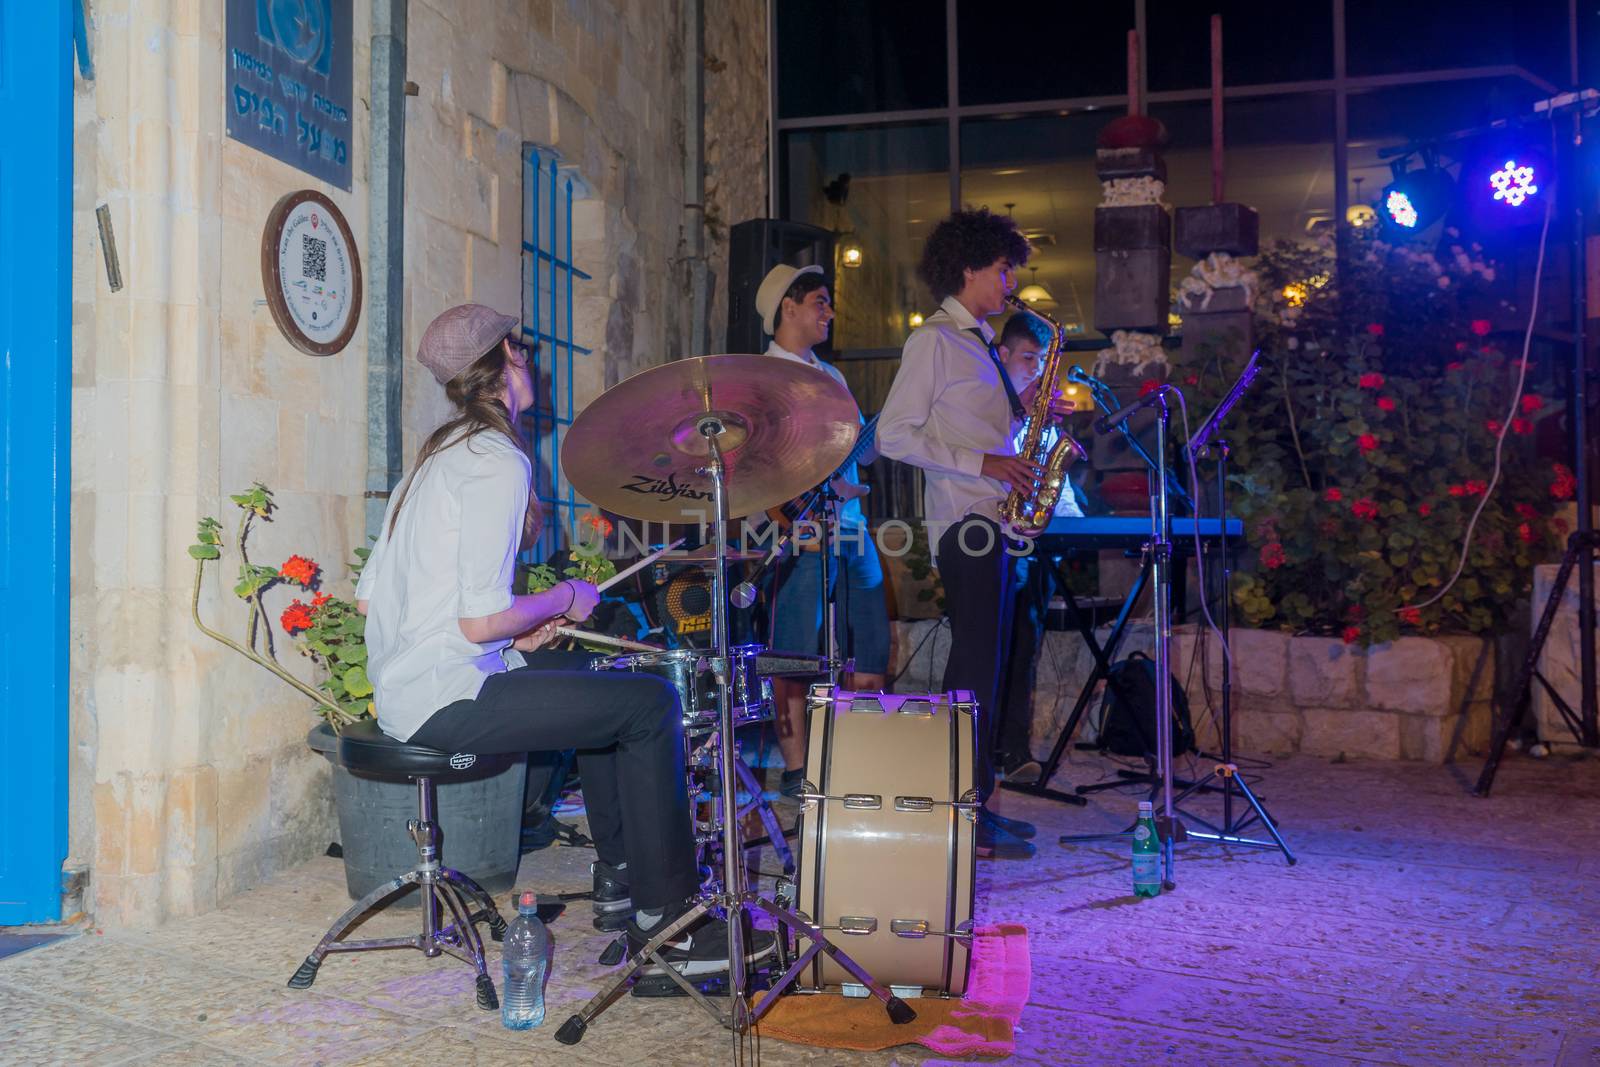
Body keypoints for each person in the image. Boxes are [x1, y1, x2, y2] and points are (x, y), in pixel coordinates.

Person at [356, 303, 772, 976]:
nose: (529, 361)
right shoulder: (495, 460)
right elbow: (475, 620)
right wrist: (564, 597)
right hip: (448, 696)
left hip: (417, 685)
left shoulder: (434, 459)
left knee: (600, 683)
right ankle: (671, 924)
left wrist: (525, 640)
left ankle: (623, 879)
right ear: (505, 364)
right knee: (651, 706)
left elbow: (373, 598)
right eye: (521, 350)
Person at [877, 209, 1074, 860]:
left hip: (997, 522)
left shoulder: (984, 346)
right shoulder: (934, 342)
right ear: (968, 268)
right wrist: (983, 463)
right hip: (964, 526)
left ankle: (980, 804)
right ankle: (960, 813)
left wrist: (1024, 437)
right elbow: (893, 436)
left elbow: (983, 432)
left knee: (990, 669)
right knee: (972, 672)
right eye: (1002, 267)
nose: (1010, 279)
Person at [752, 264, 890, 798]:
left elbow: (860, 451)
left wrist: (883, 429)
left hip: (849, 525)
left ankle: (854, 754)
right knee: (794, 647)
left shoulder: (832, 376)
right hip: (799, 532)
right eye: (820, 302)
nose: (829, 313)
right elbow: (759, 466)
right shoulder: (762, 377)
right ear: (788, 308)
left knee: (871, 638)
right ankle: (796, 768)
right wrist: (789, 521)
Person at [993, 310, 1084, 786]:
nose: (1036, 368)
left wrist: (1069, 521)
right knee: (997, 648)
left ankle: (1014, 750)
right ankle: (990, 752)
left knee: (1025, 642)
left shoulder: (1038, 408)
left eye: (1043, 360)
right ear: (1003, 355)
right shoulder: (991, 401)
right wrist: (1025, 412)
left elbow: (1051, 469)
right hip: (996, 535)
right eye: (1029, 358)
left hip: (1038, 535)